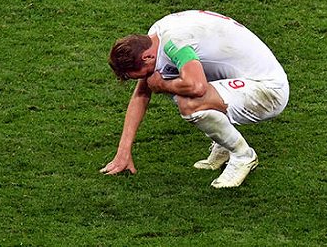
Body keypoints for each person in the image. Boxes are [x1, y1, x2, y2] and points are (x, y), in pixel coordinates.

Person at [100, 10, 289, 187]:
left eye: (137, 74)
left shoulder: (174, 44)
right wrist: (123, 151)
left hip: (268, 91)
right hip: (245, 79)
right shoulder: (155, 37)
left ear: (146, 57)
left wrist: (162, 85)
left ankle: (243, 156)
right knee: (177, 81)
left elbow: (198, 86)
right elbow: (141, 94)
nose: (142, 79)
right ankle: (224, 144)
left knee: (189, 102)